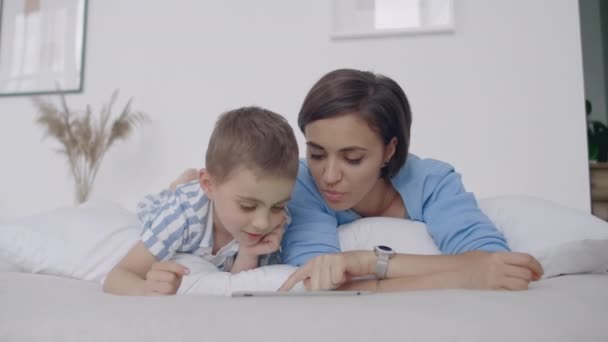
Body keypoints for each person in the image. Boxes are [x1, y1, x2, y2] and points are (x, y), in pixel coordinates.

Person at [278, 69, 543, 292]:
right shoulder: (302, 182)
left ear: (389, 150)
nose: (329, 176)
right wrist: (463, 276)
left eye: (353, 158)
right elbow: (317, 282)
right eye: (316, 154)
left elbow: (496, 263)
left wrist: (369, 262)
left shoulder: (432, 182)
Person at [103, 106, 299, 296]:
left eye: (278, 206)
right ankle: (179, 185)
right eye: (247, 206)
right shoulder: (182, 213)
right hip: (165, 205)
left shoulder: (279, 223)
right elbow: (117, 276)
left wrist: (249, 252)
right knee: (164, 202)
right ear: (209, 185)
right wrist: (144, 289)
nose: (262, 223)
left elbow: (237, 283)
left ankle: (186, 182)